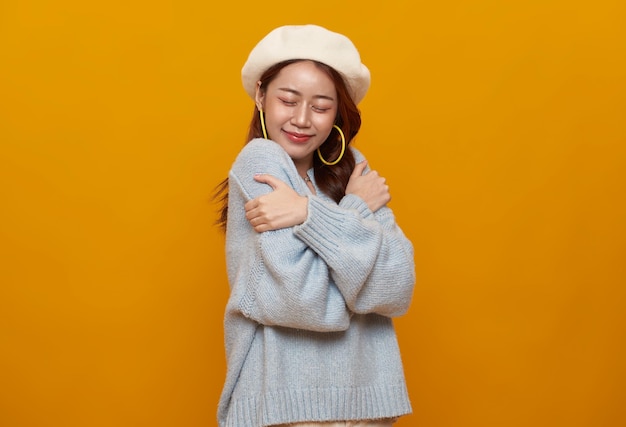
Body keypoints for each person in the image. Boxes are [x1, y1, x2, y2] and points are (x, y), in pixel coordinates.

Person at [214, 24, 416, 427]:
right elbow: (305, 302)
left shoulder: (353, 169)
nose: (302, 119)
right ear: (260, 95)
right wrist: (356, 212)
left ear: (338, 113)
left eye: (321, 107)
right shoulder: (261, 163)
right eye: (288, 100)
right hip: (284, 409)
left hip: (370, 406)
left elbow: (397, 289)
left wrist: (307, 213)